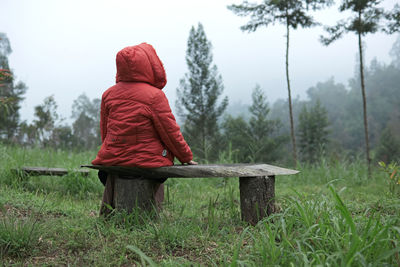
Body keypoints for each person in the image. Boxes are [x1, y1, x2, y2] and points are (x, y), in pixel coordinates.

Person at [92, 43, 197, 214]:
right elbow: (170, 133)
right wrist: (185, 156)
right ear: (150, 65)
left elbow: (105, 132)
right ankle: (148, 215)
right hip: (148, 161)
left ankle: (111, 213)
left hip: (113, 159)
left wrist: (114, 152)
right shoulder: (155, 96)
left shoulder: (108, 94)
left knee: (116, 170)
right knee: (151, 168)